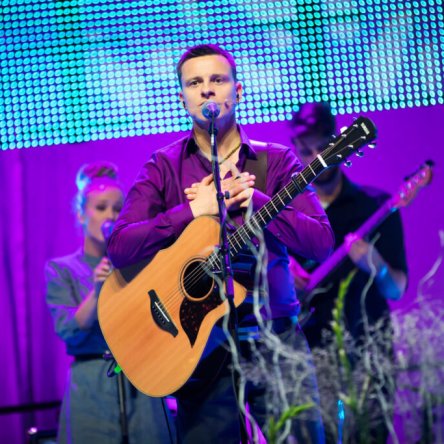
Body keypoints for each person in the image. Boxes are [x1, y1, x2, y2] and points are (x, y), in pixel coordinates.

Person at [107, 44, 334, 444]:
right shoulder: (163, 166)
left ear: (238, 91)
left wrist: (257, 201)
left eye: (217, 79)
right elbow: (121, 246)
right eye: (195, 83)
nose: (207, 89)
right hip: (198, 347)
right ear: (182, 98)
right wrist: (192, 212)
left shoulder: (277, 160)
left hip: (274, 338)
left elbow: (321, 243)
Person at [289, 102, 408, 443]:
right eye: (305, 151)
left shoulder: (375, 206)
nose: (316, 158)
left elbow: (396, 289)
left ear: (338, 143)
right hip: (309, 351)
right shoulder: (287, 213)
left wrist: (375, 264)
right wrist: (282, 276)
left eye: (322, 147)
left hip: (368, 348)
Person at [45, 162, 175, 443]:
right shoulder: (62, 269)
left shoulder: (138, 263)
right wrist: (97, 291)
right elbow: (68, 330)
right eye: (101, 208)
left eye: (117, 209)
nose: (110, 216)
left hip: (140, 379)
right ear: (81, 214)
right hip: (91, 385)